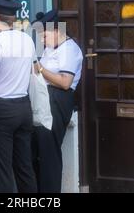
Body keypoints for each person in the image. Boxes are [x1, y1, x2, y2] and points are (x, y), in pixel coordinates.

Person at [0, 0, 37, 193]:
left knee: (1, 171)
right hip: (23, 107)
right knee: (24, 168)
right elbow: (34, 73)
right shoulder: (27, 40)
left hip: (0, 109)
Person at [31, 10, 83, 193]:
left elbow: (65, 82)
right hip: (43, 98)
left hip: (57, 100)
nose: (42, 41)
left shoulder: (70, 49)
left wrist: (40, 69)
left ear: (56, 30)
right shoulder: (50, 48)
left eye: (44, 35)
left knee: (49, 152)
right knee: (36, 152)